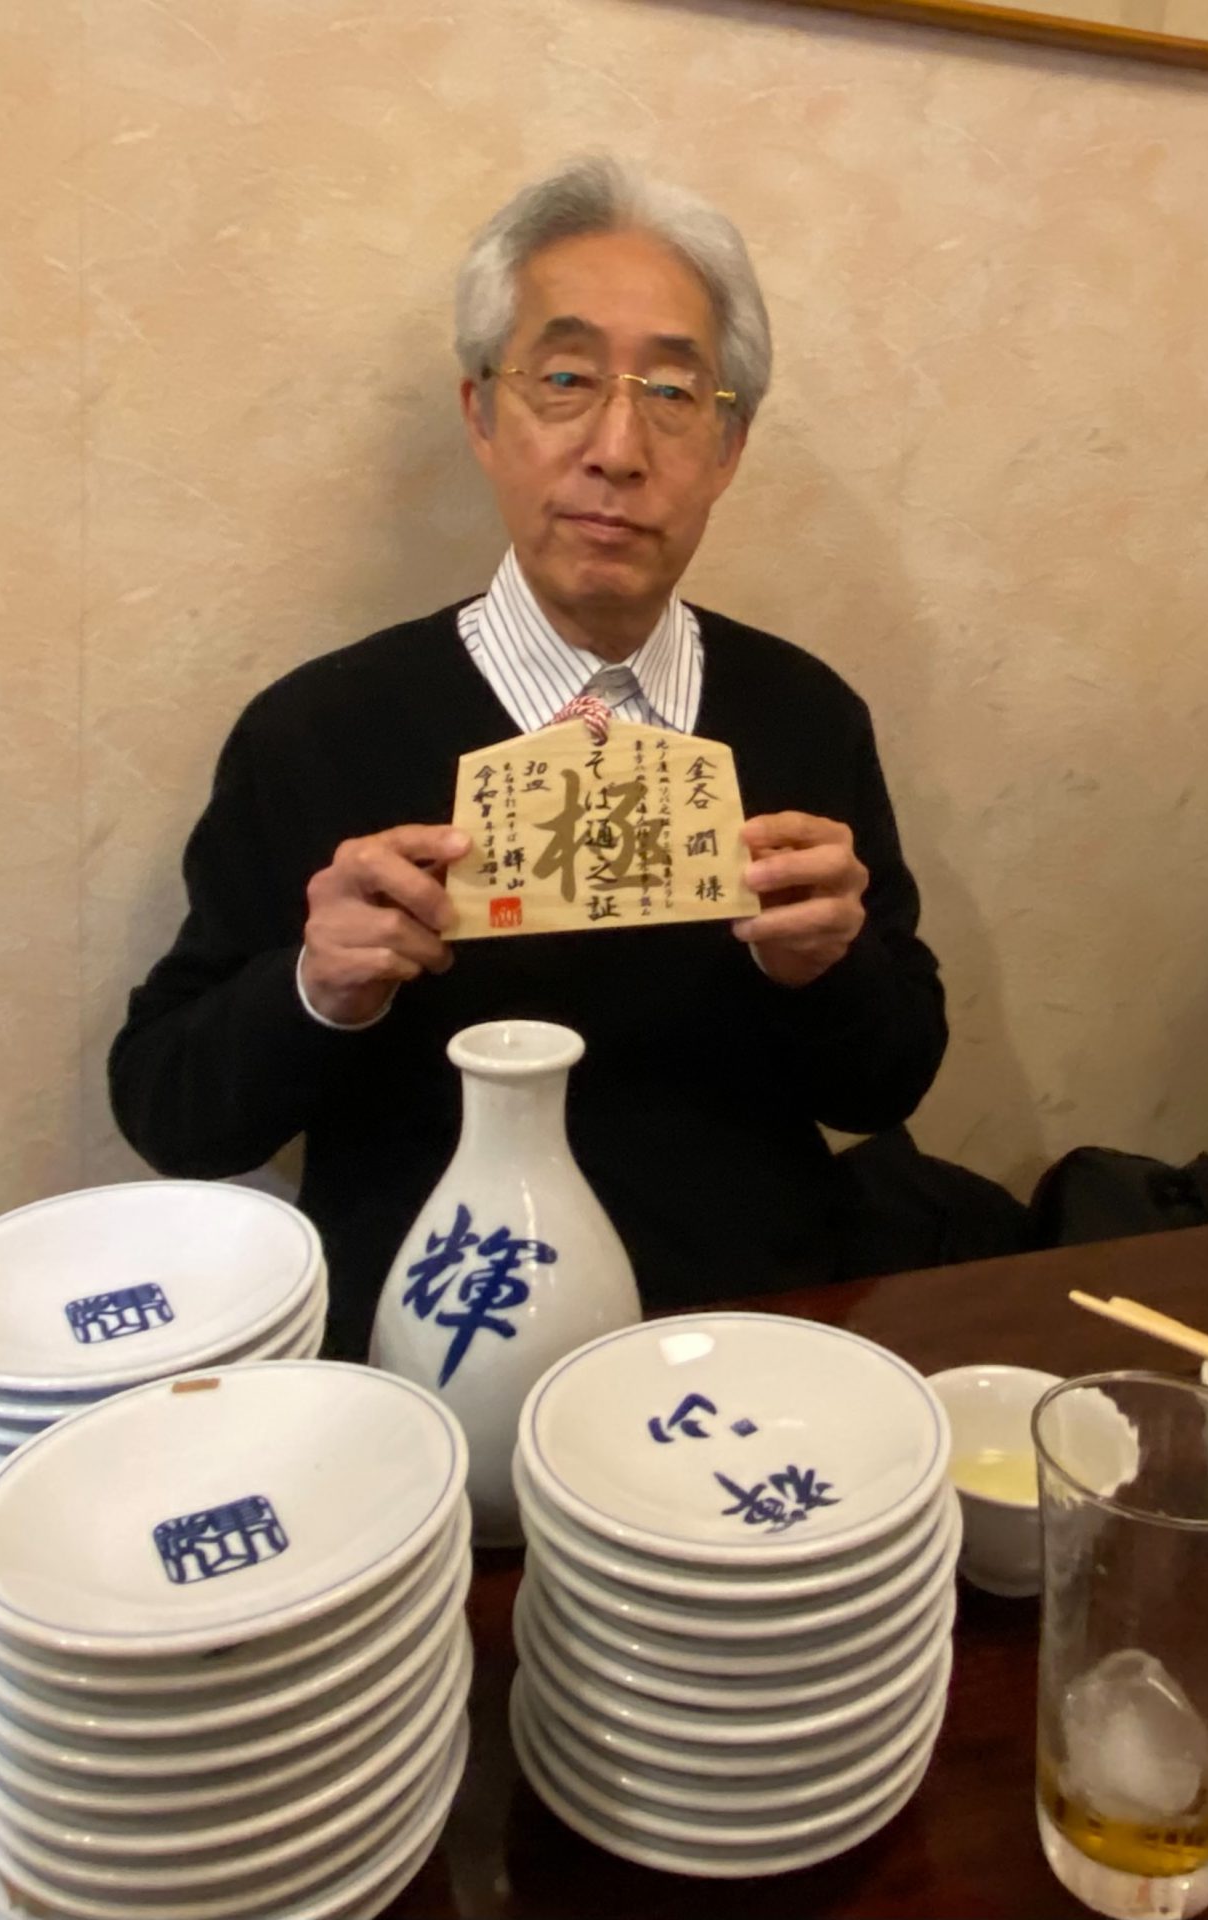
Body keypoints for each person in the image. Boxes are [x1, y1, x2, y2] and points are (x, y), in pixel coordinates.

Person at [109, 155, 947, 1357]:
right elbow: (172, 1114)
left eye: (673, 392)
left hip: (750, 1329)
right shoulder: (319, 728)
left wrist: (832, 968)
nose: (617, 447)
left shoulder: (801, 715)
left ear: (727, 446)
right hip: (431, 1343)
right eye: (564, 379)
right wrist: (314, 988)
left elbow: (884, 1087)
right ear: (482, 415)